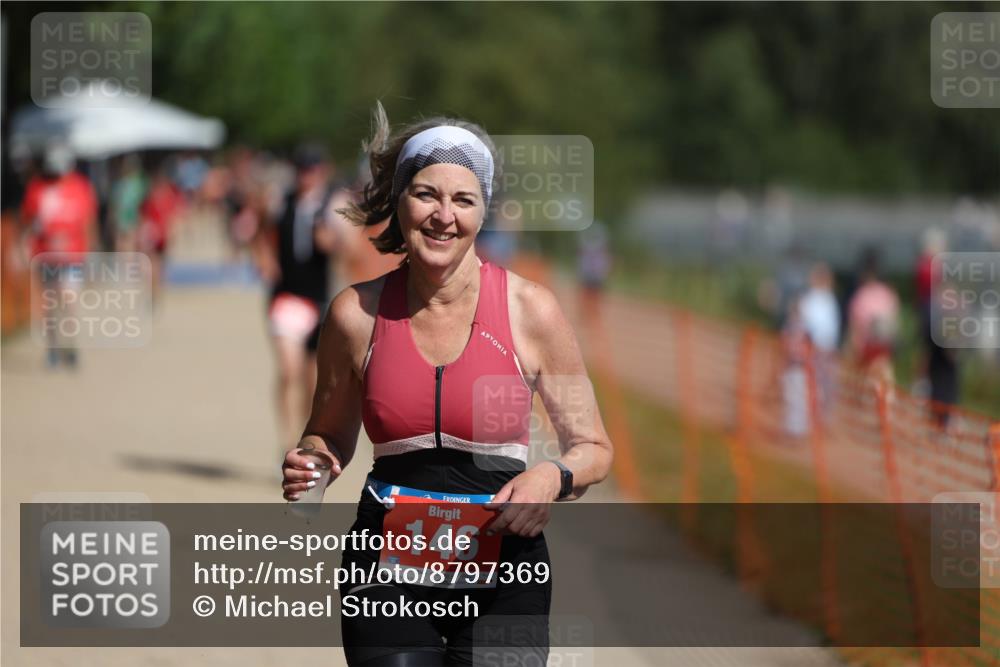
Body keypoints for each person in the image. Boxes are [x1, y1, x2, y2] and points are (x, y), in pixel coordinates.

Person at [280, 105, 614, 666]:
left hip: (507, 566)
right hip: (385, 566)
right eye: (426, 194)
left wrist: (549, 477)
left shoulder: (531, 310)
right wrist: (311, 462)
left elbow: (594, 449)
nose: (443, 216)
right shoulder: (355, 315)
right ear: (399, 201)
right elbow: (328, 435)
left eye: (463, 200)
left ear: (484, 212)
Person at [253, 143, 350, 451]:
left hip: (319, 300)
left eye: (313, 169)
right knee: (288, 370)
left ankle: (304, 437)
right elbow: (259, 230)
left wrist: (331, 243)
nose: (307, 176)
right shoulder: (280, 200)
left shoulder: (335, 204)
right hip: (286, 296)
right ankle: (285, 440)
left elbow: (352, 248)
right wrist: (265, 258)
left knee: (312, 381)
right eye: (302, 169)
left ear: (323, 171)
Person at [20, 143, 98, 369]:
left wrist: (91, 253)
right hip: (45, 254)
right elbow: (28, 220)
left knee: (69, 301)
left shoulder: (79, 186)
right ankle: (53, 347)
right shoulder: (37, 187)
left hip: (72, 255)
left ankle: (70, 346)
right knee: (50, 304)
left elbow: (88, 221)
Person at [846, 248, 900, 384]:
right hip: (883, 356)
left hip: (868, 356)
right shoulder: (888, 294)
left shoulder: (860, 296)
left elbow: (854, 331)